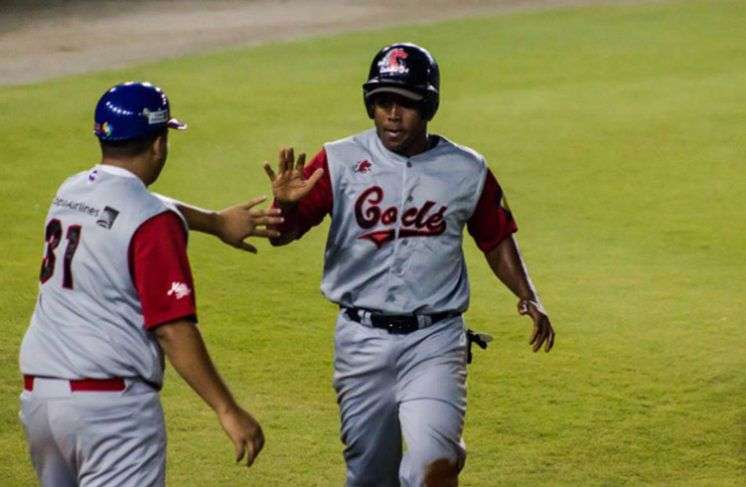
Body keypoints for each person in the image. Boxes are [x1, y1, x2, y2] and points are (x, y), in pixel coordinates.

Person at [262, 43, 556, 486]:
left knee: (427, 465)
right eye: (383, 102)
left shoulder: (465, 169)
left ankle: (443, 453)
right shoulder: (339, 161)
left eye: (406, 104)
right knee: (368, 477)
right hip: (360, 340)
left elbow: (495, 238)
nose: (393, 115)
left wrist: (528, 295)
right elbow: (283, 236)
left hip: (435, 340)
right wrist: (283, 207)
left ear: (429, 106)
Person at [18, 81, 277, 486]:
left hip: (41, 403)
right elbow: (173, 329)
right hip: (110, 416)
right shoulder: (154, 224)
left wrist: (215, 222)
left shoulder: (70, 191)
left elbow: (141, 205)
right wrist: (227, 409)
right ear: (158, 144)